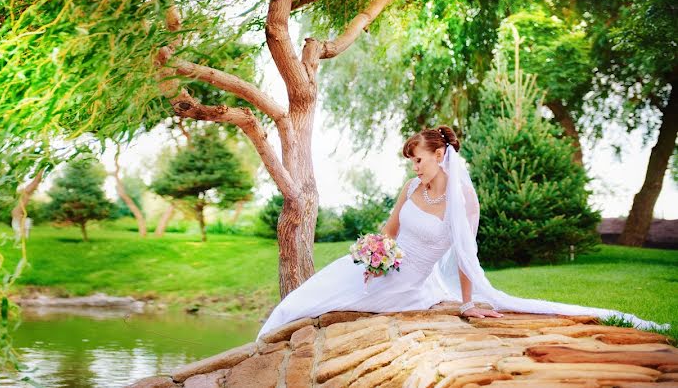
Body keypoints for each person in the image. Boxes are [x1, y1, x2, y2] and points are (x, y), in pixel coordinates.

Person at [257, 126, 669, 340]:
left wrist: (468, 304)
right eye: (411, 162)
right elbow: (389, 229)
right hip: (378, 266)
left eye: (417, 160)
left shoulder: (464, 203)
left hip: (409, 282)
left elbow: (467, 257)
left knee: (338, 301)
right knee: (310, 296)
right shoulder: (411, 188)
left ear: (439, 155)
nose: (414, 167)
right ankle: (270, 336)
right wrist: (370, 255)